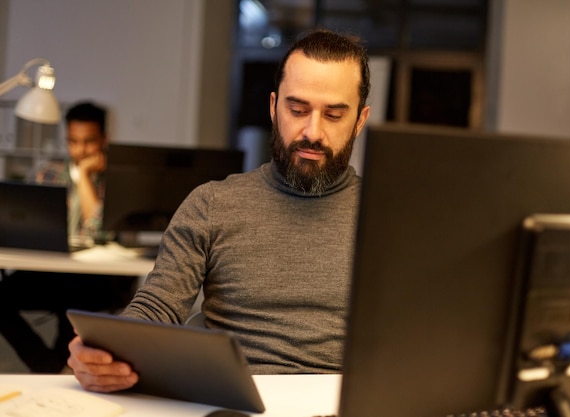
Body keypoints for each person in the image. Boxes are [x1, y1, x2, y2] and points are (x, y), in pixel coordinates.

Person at [67, 28, 371, 392]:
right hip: (233, 399)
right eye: (298, 109)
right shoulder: (212, 204)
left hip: (344, 401)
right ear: (273, 107)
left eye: (334, 115)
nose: (313, 131)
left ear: (360, 120)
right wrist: (108, 352)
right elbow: (157, 306)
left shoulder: (388, 217)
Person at [0, 102, 136, 373]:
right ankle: (49, 366)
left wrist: (84, 176)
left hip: (99, 278)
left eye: (89, 142)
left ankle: (53, 368)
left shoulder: (120, 178)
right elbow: (26, 217)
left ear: (104, 140)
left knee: (74, 306)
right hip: (52, 269)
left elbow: (99, 231)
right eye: (72, 141)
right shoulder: (48, 172)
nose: (80, 150)